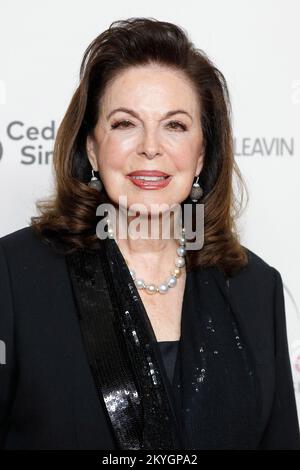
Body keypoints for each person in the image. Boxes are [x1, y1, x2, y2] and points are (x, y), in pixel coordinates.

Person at [0, 17, 299, 450]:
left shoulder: (255, 287)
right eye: (125, 123)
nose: (151, 147)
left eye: (175, 125)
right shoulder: (14, 275)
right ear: (91, 148)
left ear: (201, 155)